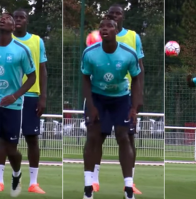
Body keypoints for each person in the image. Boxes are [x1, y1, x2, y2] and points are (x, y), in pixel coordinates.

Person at [0, 12, 36, 198]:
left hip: (13, 105)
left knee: (11, 151)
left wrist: (15, 95)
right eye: (0, 18)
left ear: (13, 27)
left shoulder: (21, 50)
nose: (4, 19)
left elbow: (32, 77)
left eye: (8, 19)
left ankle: (17, 174)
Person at [81, 15, 141, 199]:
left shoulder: (129, 53)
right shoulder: (89, 53)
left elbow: (137, 78)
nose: (105, 28)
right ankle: (88, 187)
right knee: (93, 138)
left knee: (123, 137)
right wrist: (91, 105)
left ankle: (129, 188)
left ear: (116, 31)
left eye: (109, 26)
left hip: (121, 98)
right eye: (102, 27)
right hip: (98, 98)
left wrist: (134, 106)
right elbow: (85, 78)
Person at [0, 8, 48, 194]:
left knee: (32, 138)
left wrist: (43, 97)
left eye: (21, 17)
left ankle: (34, 182)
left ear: (27, 21)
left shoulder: (37, 41)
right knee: (4, 139)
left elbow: (42, 70)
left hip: (31, 96)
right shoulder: (5, 40)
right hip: (9, 97)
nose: (18, 20)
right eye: (15, 17)